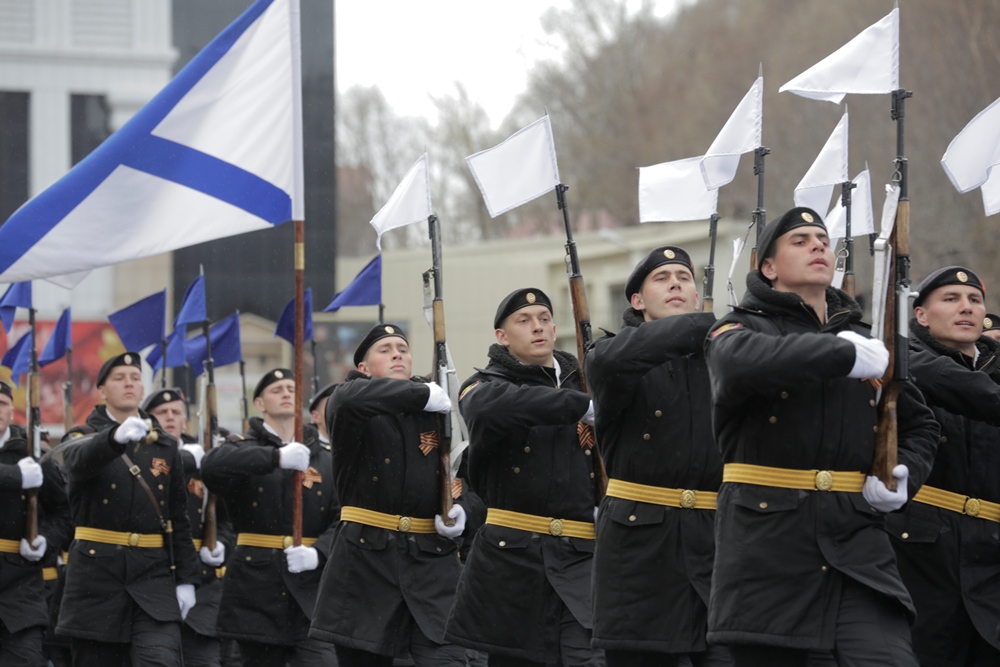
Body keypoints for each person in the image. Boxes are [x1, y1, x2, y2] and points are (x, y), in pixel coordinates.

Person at [704, 207, 940, 667]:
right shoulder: (737, 328)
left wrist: (903, 472)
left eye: (823, 239)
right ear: (768, 268)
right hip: (769, 550)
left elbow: (920, 423)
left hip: (857, 545)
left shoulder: (865, 339)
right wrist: (839, 353)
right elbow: (738, 364)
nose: (818, 246)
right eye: (800, 240)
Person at [586, 247, 730, 666]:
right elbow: (615, 361)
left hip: (714, 543)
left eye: (684, 277)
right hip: (640, 549)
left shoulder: (721, 356)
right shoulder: (612, 354)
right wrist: (711, 324)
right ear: (636, 300)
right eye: (662, 278)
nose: (675, 284)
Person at [445, 289, 604, 667]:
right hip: (513, 561)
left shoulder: (584, 382)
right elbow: (491, 408)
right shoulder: (484, 385)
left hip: (580, 557)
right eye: (524, 320)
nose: (538, 327)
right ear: (501, 336)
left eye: (545, 318)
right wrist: (579, 406)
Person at [309, 324, 470, 666]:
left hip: (432, 563)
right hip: (367, 562)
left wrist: (465, 509)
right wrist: (420, 395)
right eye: (385, 349)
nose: (398, 353)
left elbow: (467, 472)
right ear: (363, 369)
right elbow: (351, 397)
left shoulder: (435, 408)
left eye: (403, 348)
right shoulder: (349, 401)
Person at [886, 266, 1000, 666]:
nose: (965, 308)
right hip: (920, 552)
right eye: (950, 299)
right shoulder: (902, 363)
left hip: (990, 557)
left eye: (974, 300)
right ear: (920, 315)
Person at [56, 352, 201, 666]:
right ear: (103, 390)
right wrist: (113, 439)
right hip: (97, 578)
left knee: (161, 660)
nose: (129, 383)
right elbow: (76, 461)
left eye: (135, 377)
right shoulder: (81, 437)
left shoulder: (163, 444)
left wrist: (187, 578)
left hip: (152, 576)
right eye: (119, 378)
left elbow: (178, 515)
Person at [201, 369, 338, 667]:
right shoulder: (244, 447)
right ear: (260, 404)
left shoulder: (324, 456)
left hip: (310, 592)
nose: (287, 393)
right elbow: (212, 467)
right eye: (277, 390)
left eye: (291, 388)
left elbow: (341, 518)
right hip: (256, 589)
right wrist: (275, 458)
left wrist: (319, 552)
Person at [143, 387, 234, 667]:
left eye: (176, 412)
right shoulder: (144, 456)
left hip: (202, 580)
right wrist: (183, 461)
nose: (170, 417)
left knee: (204, 659)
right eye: (162, 412)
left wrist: (221, 544)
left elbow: (227, 518)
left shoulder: (206, 459)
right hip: (154, 571)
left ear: (186, 420)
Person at [0, 380, 71, 666]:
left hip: (19, 588)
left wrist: (44, 539)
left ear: (11, 411)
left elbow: (63, 514)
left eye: (3, 403)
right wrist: (15, 478)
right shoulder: (22, 468)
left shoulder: (30, 456)